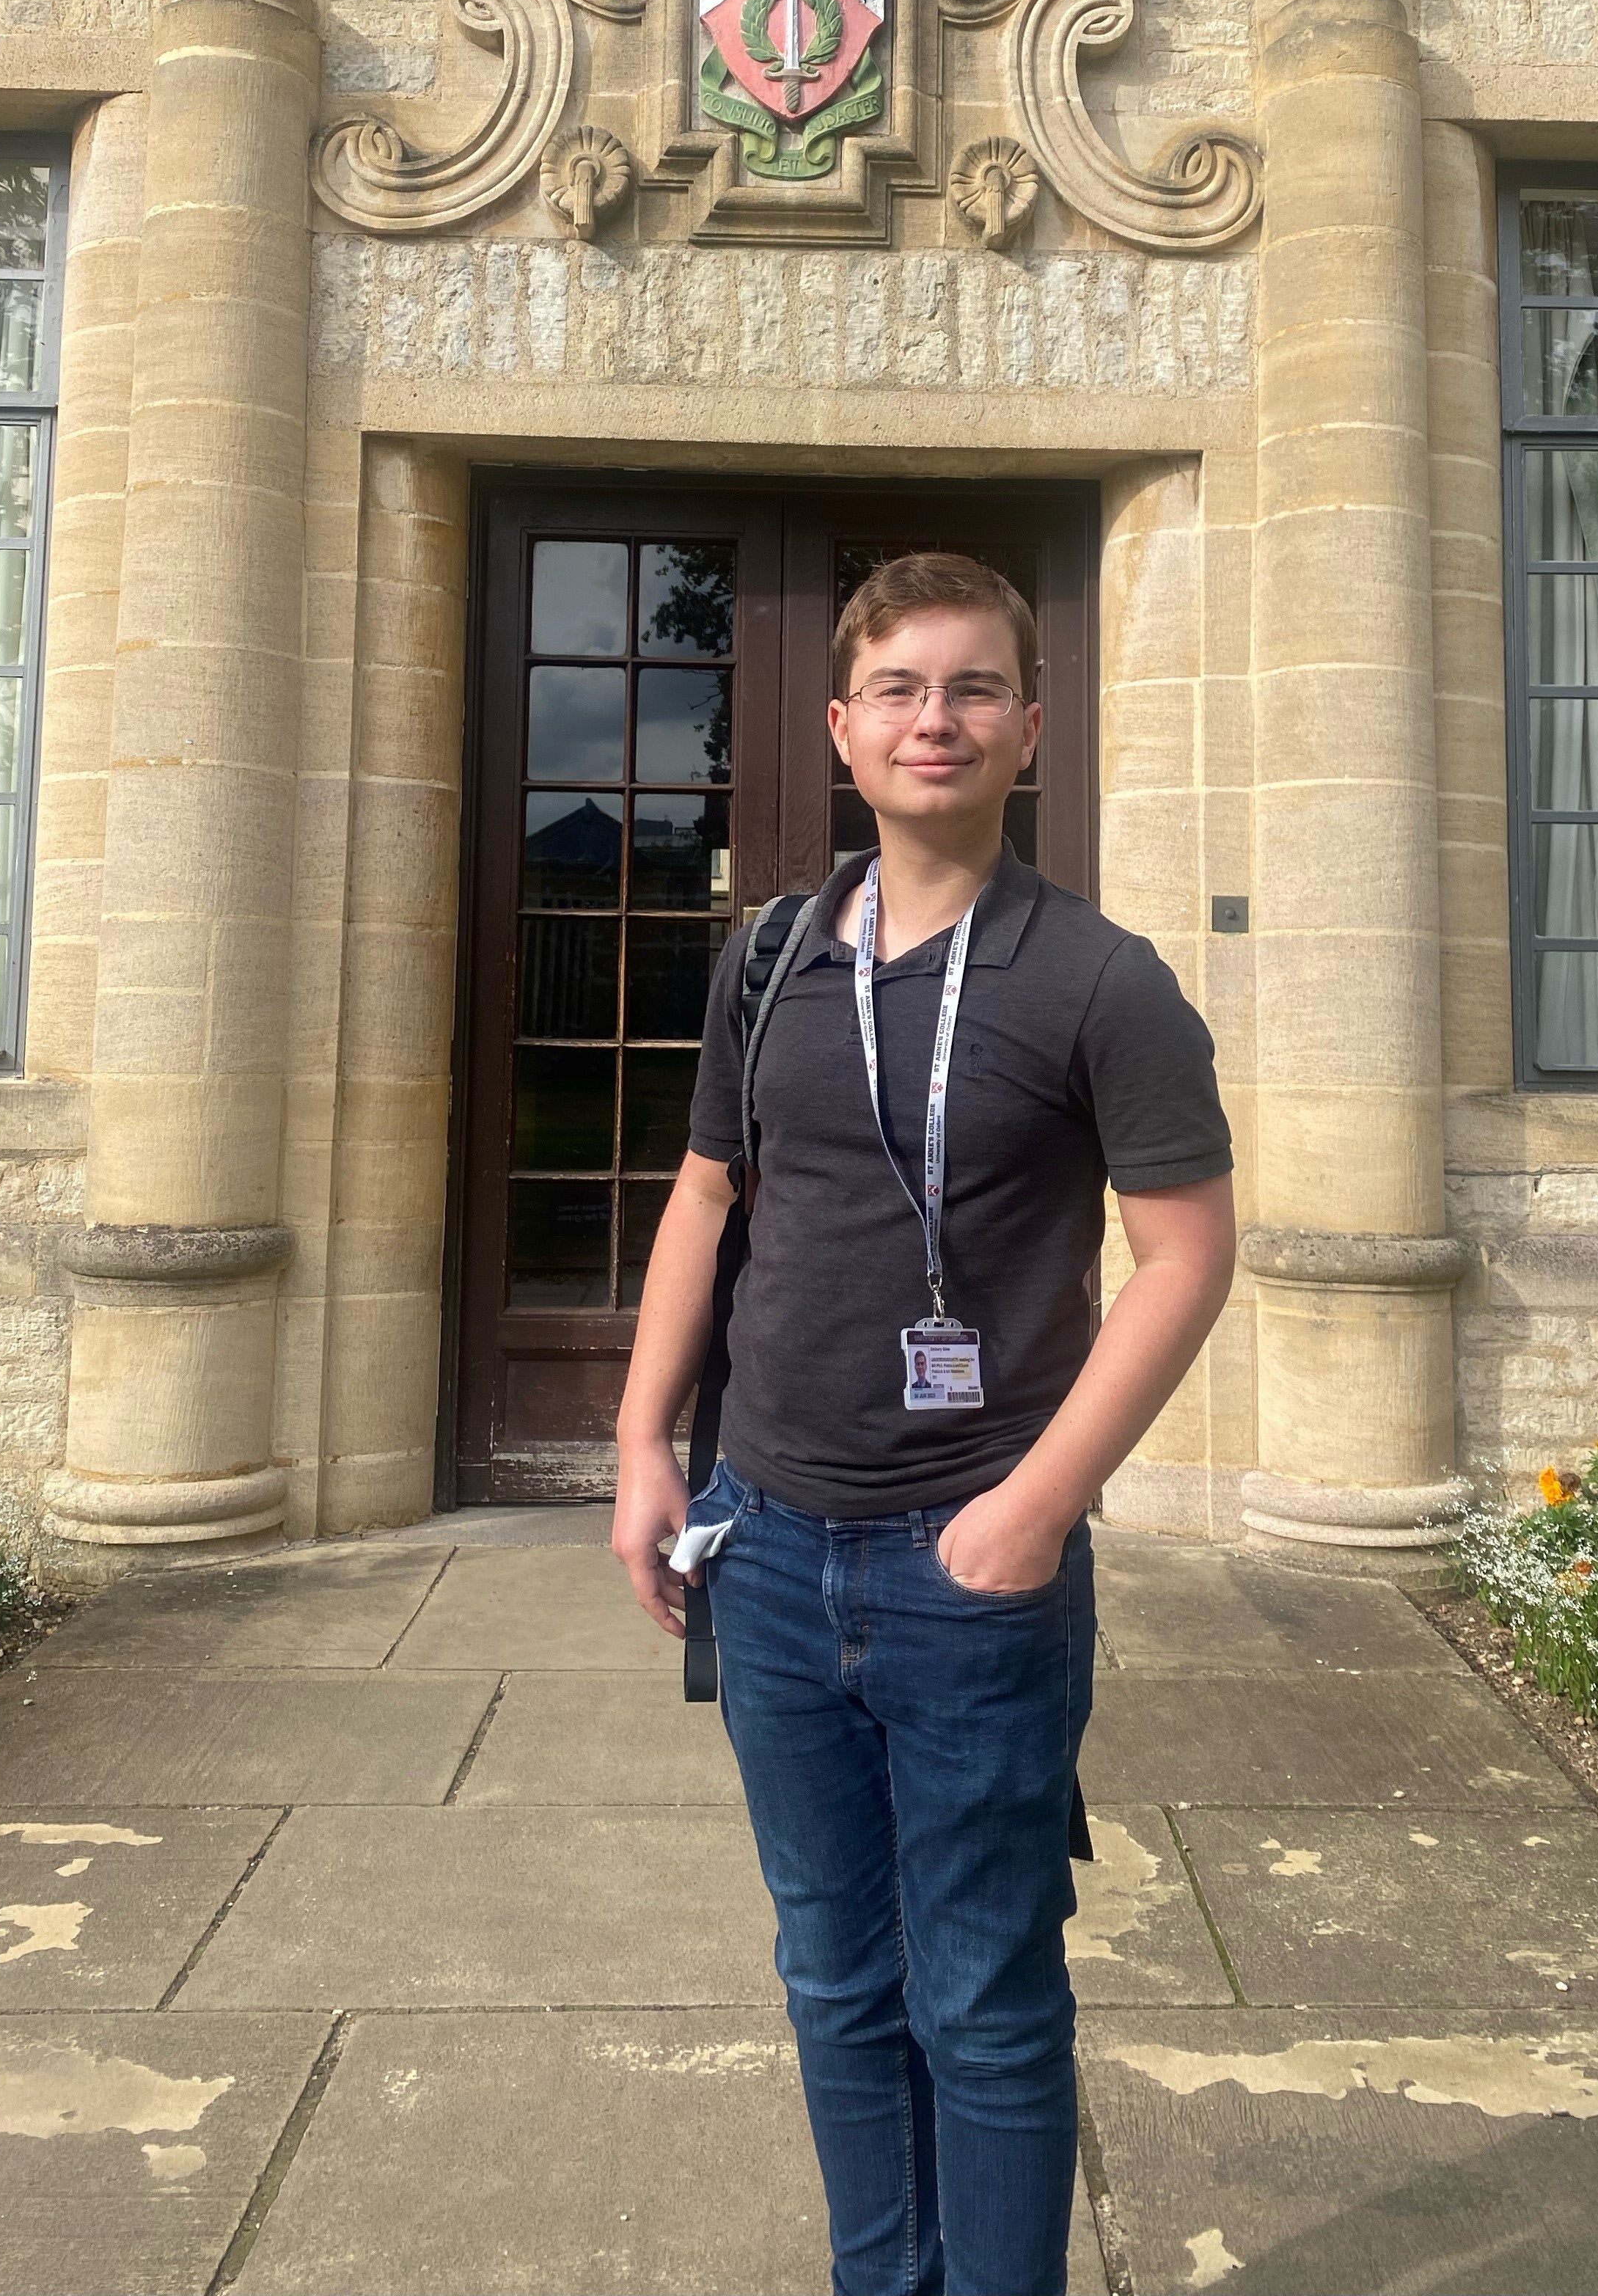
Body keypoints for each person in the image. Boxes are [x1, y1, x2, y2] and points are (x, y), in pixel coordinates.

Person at [612, 551, 1237, 2296]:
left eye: (971, 689)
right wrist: (646, 1442)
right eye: (898, 690)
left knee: (982, 1996)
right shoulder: (769, 960)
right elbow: (706, 1199)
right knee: (834, 1977)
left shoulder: (1103, 982)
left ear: (1030, 729)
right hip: (773, 1541)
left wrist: (1040, 1506)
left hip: (978, 1567)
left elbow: (1188, 1259)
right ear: (842, 729)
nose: (933, 719)